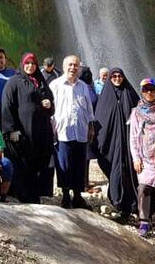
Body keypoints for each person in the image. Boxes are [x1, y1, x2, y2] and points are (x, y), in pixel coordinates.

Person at [0, 53, 56, 203]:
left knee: (39, 164)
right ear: (22, 64)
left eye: (33, 63)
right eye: (27, 63)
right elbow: (7, 107)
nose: (30, 66)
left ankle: (36, 194)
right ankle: (22, 195)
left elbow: (50, 105)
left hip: (40, 133)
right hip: (22, 132)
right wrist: (12, 132)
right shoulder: (14, 82)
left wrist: (49, 104)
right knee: (22, 163)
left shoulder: (41, 81)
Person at [50, 55, 95, 209]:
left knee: (79, 165)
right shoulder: (55, 85)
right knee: (64, 165)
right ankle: (65, 196)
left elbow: (89, 109)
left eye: (76, 65)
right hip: (62, 132)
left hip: (80, 131)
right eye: (70, 65)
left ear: (79, 68)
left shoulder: (83, 86)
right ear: (64, 67)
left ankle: (77, 196)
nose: (73, 68)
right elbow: (50, 110)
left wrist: (91, 127)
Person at [95, 67, 140, 219]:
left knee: (130, 171)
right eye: (113, 76)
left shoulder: (130, 93)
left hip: (129, 142)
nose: (116, 78)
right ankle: (117, 202)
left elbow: (140, 113)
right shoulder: (105, 96)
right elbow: (100, 119)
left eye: (119, 75)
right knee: (116, 170)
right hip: (113, 142)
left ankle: (134, 204)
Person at [129, 78, 155, 237]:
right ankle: (144, 221)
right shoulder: (136, 111)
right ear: (142, 92)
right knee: (144, 188)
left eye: (152, 89)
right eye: (146, 90)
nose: (149, 92)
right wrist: (136, 158)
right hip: (144, 156)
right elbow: (133, 136)